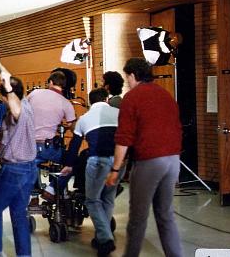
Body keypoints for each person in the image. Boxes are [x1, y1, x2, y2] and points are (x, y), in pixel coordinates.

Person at [106, 58, 183, 257]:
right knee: (166, 215)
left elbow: (124, 138)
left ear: (132, 75)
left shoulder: (132, 97)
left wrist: (115, 169)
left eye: (127, 78)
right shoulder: (165, 94)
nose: (127, 82)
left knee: (138, 218)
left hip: (150, 161)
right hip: (173, 160)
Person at [0, 47, 37, 257]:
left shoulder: (18, 109)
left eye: (4, 95)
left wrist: (6, 90)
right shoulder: (26, 102)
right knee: (18, 214)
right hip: (29, 169)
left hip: (14, 170)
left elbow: (14, 105)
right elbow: (12, 85)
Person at [60, 88, 122, 256]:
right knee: (107, 199)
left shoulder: (84, 119)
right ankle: (102, 236)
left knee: (92, 200)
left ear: (90, 102)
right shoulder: (119, 113)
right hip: (118, 162)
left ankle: (106, 238)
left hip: (98, 162)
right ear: (107, 99)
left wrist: (69, 165)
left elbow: (75, 145)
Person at [27, 70, 76, 200]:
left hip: (29, 146)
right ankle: (52, 189)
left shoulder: (34, 93)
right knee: (73, 163)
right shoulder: (66, 103)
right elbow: (73, 126)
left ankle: (34, 197)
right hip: (49, 149)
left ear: (50, 82)